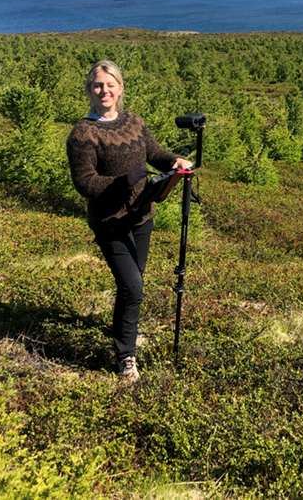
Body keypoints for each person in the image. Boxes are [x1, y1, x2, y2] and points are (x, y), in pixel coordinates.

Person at [66, 60, 189, 382]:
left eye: (110, 85)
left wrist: (175, 160)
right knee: (133, 286)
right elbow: (84, 182)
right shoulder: (83, 133)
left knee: (131, 285)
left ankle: (125, 331)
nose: (104, 91)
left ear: (120, 88)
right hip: (109, 220)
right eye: (97, 85)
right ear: (90, 90)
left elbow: (154, 152)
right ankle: (125, 356)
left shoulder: (134, 121)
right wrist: (122, 181)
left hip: (142, 214)